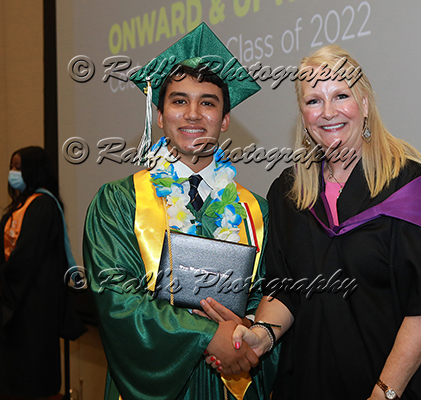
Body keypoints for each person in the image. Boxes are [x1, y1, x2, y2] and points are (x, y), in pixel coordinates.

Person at [225, 45, 421, 400]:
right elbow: (286, 290)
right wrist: (262, 335)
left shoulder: (410, 188)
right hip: (311, 381)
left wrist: (384, 393)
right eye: (314, 100)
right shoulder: (289, 193)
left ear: (364, 104)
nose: (328, 112)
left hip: (394, 385)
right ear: (303, 114)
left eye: (341, 95)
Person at [83, 23, 278, 400]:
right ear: (160, 116)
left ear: (224, 120)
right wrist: (207, 336)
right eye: (178, 101)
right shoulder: (119, 202)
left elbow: (268, 297)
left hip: (230, 383)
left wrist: (245, 332)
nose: (192, 114)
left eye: (208, 103)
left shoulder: (257, 211)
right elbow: (118, 300)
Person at [0, 146, 86, 399]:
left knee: (29, 380)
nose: (13, 172)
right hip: (16, 300)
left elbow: (26, 256)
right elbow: (6, 248)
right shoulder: (21, 204)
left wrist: (3, 277)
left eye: (19, 167)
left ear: (33, 170)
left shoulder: (43, 205)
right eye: (12, 167)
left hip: (32, 305)